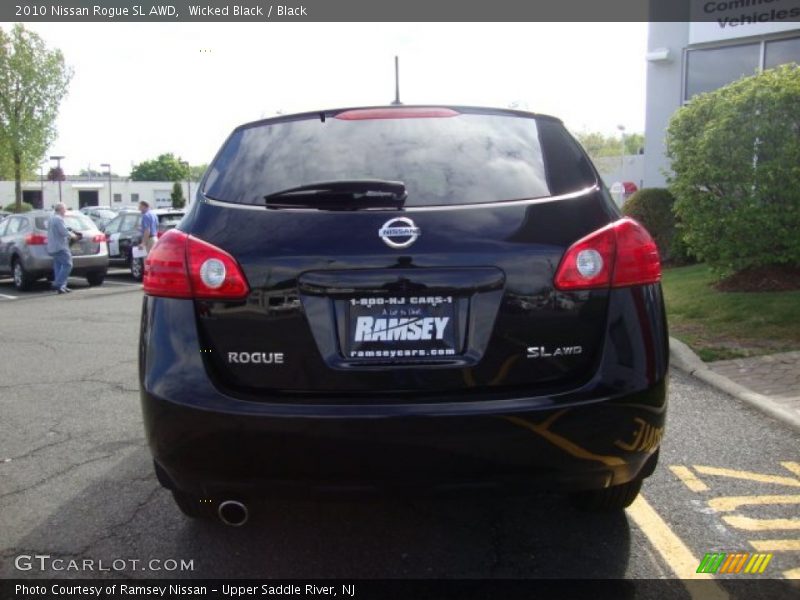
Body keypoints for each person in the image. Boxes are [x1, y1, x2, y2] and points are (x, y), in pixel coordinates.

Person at [46, 203, 78, 294]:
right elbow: (63, 232)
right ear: (60, 209)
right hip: (60, 246)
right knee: (68, 265)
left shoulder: (51, 218)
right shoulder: (58, 219)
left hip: (52, 246)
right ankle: (58, 284)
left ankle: (61, 287)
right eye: (64, 209)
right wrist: (73, 236)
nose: (65, 211)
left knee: (58, 266)